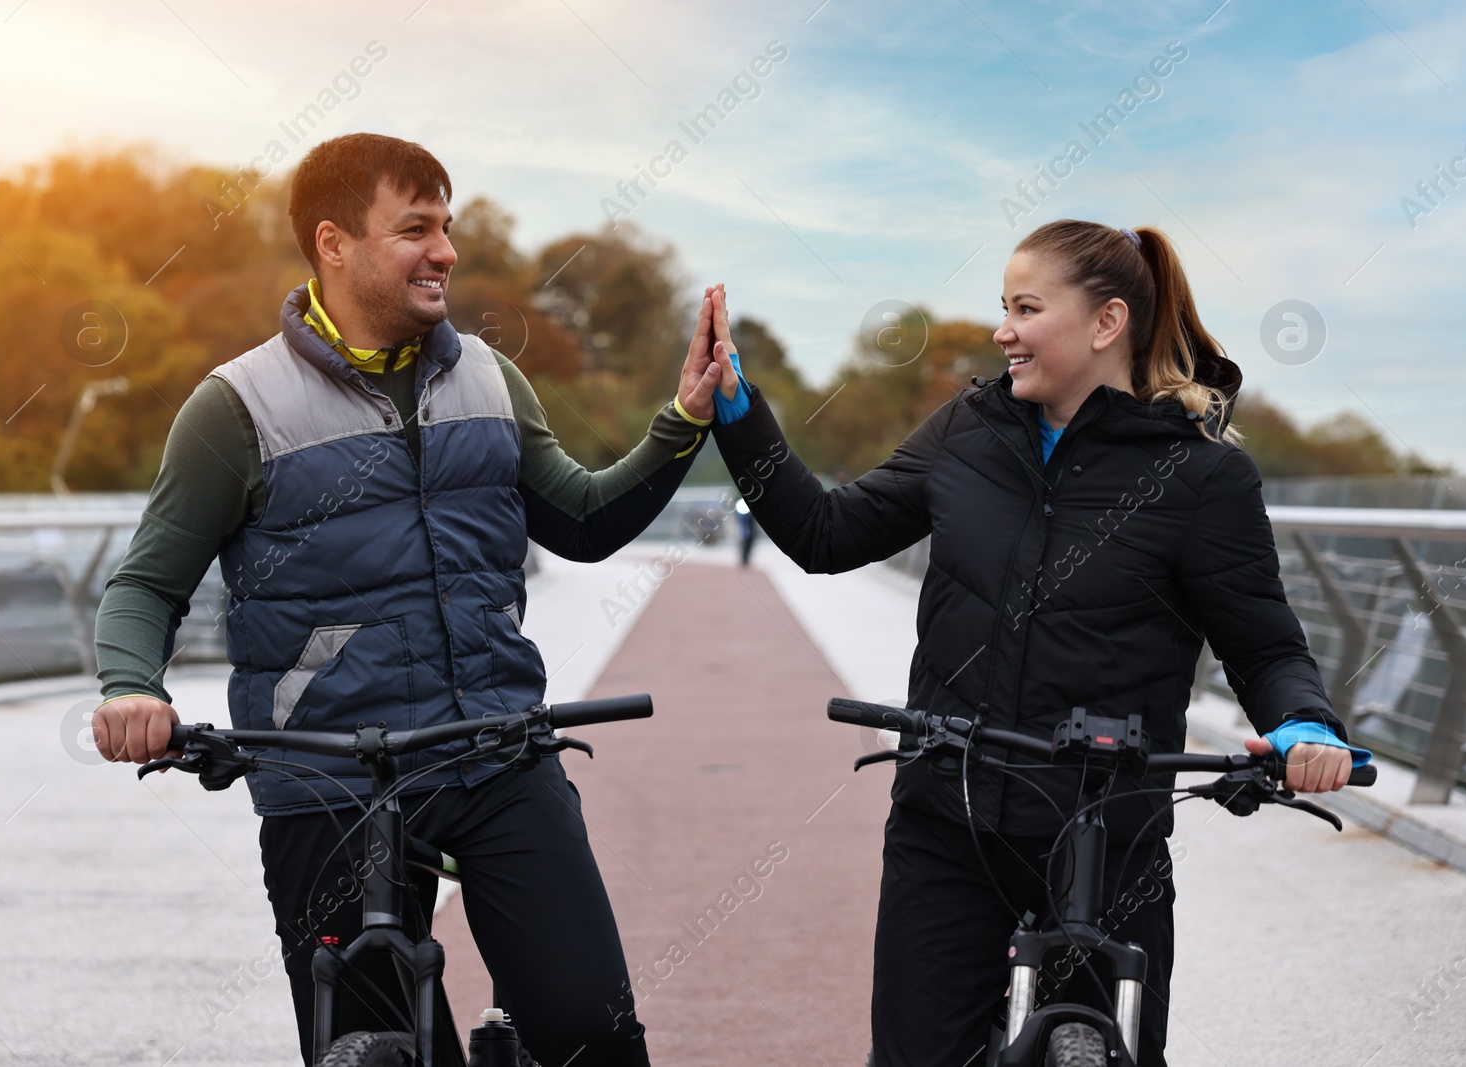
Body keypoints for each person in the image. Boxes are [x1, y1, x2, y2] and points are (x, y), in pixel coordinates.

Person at [90, 133, 730, 1067]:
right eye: (416, 228)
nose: (446, 252)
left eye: (449, 227)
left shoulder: (488, 378)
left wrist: (683, 424)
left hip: (495, 751)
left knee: (592, 1033)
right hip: (329, 777)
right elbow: (147, 583)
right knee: (371, 1050)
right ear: (334, 244)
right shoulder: (235, 407)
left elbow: (583, 522)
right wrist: (127, 686)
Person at [700, 221, 1371, 1066]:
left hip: (1108, 839)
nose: (1001, 330)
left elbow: (1266, 647)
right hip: (949, 820)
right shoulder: (965, 433)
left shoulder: (1202, 478)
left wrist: (1305, 726)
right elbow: (826, 534)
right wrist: (736, 408)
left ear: (1105, 323)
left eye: (1025, 307)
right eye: (1002, 307)